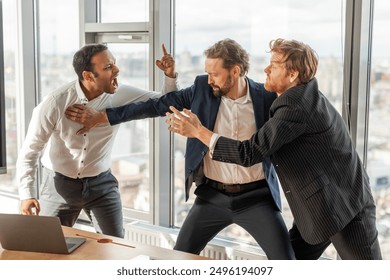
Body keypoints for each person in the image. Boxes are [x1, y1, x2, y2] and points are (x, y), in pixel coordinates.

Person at [65, 39, 295, 259]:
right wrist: (102, 117)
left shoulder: (266, 98)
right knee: (179, 257)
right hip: (212, 197)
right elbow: (155, 105)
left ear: (235, 71)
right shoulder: (202, 89)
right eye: (208, 72)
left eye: (215, 73)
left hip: (257, 197)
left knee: (286, 261)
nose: (210, 79)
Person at [165, 38, 382, 260]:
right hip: (316, 208)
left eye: (275, 65)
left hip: (344, 206)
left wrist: (199, 131)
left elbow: (249, 153)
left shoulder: (295, 106)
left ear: (292, 75)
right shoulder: (301, 94)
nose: (266, 69)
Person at [17, 43, 178, 238]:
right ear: (87, 75)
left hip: (102, 185)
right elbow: (30, 151)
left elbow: (165, 103)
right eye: (108, 67)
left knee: (115, 247)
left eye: (114, 64)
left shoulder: (121, 94)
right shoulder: (55, 102)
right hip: (59, 186)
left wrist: (169, 75)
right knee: (47, 245)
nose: (117, 70)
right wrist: (27, 194)